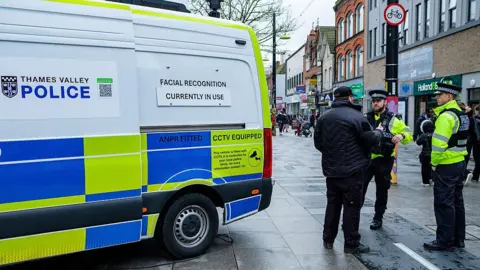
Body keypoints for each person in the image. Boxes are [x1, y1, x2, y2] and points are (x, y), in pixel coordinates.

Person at [314, 86, 382, 254]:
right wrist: (379, 132)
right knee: (351, 206)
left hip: (332, 171)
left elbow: (318, 142)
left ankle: (328, 239)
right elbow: (369, 139)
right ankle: (351, 243)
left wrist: (332, 154)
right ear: (350, 98)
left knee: (332, 205)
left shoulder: (324, 117)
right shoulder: (358, 117)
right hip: (353, 171)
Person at [423, 79, 468, 251]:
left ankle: (444, 240)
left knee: (443, 203)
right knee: (457, 202)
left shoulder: (445, 116)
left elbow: (439, 144)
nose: (437, 98)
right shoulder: (462, 114)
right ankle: (458, 239)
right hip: (459, 162)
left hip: (446, 164)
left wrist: (433, 164)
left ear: (449, 96)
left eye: (440, 95)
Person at [362, 89, 413, 230]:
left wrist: (402, 136)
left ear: (385, 102)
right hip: (367, 159)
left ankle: (378, 218)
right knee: (360, 188)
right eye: (373, 101)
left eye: (378, 101)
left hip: (384, 159)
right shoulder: (365, 118)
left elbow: (408, 133)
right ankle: (353, 217)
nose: (375, 103)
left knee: (382, 190)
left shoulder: (393, 119)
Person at [416, 119, 434, 186]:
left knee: (424, 169)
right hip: (433, 154)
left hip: (425, 155)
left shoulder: (423, 135)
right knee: (433, 167)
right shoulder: (435, 134)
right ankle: (432, 179)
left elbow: (418, 143)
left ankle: (425, 182)